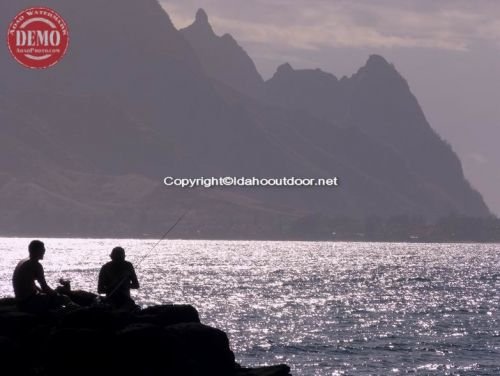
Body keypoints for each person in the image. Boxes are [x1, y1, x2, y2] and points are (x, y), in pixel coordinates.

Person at [12, 240, 71, 312]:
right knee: (64, 300)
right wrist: (57, 295)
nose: (44, 251)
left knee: (55, 294)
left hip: (19, 301)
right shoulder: (35, 265)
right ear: (36, 250)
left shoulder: (23, 261)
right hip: (28, 303)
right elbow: (44, 287)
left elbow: (29, 284)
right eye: (42, 249)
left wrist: (43, 292)